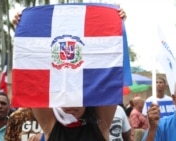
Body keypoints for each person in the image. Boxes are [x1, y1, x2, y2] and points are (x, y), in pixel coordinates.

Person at [12, 5, 127, 141]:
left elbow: (110, 66)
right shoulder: (50, 125)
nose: (71, 104)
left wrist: (117, 25)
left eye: (77, 98)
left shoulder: (101, 125)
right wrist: (24, 32)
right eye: (66, 98)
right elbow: (33, 74)